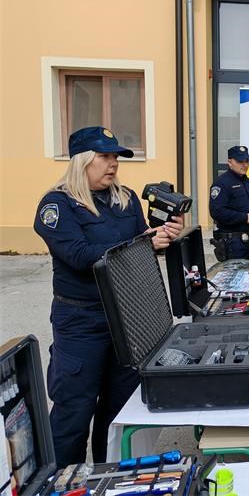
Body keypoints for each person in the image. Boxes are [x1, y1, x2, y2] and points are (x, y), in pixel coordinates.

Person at [33, 126, 184, 467]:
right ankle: (62, 482)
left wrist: (161, 237)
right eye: (104, 156)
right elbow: (80, 256)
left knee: (119, 411)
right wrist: (144, 242)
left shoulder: (125, 198)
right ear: (82, 160)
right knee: (74, 412)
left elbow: (140, 247)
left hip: (126, 320)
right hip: (81, 322)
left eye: (116, 156)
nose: (113, 163)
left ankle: (108, 476)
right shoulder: (57, 205)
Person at [209, 145, 249, 260]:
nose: (244, 164)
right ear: (230, 162)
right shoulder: (222, 183)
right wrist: (245, 217)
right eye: (240, 161)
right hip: (234, 243)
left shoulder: (248, 182)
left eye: (246, 161)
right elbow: (216, 212)